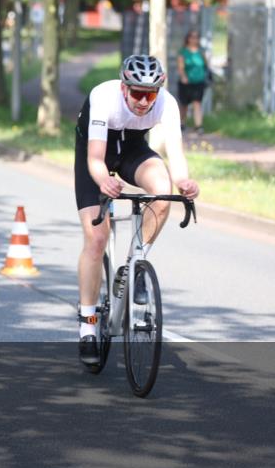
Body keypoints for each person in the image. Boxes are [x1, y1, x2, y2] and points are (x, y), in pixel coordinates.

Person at [74, 55, 199, 367]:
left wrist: (184, 181)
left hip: (133, 150)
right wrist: (104, 181)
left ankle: (134, 264)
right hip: (96, 153)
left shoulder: (167, 103)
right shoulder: (104, 98)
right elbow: (95, 159)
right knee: (97, 239)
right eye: (138, 94)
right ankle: (88, 325)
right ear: (124, 88)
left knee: (163, 190)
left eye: (150, 95)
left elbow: (176, 154)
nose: (144, 102)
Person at [176, 29, 209, 135]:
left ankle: (198, 125)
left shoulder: (201, 52)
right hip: (186, 82)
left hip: (199, 82)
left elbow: (206, 65)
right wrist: (183, 77)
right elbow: (180, 67)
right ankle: (181, 122)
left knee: (197, 103)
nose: (195, 39)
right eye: (192, 37)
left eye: (197, 37)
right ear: (188, 38)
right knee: (184, 105)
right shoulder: (183, 52)